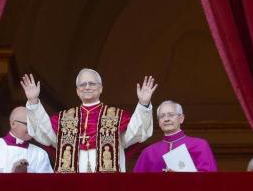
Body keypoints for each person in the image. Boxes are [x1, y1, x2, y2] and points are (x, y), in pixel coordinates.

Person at [20, 68, 156, 173]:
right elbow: (44, 134)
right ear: (77, 91)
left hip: (108, 186)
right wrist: (33, 102)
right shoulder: (64, 119)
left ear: (101, 88)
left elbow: (137, 133)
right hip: (72, 187)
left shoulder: (117, 117)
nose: (87, 87)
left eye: (92, 83)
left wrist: (143, 104)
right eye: (82, 84)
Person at [133, 100, 217, 172]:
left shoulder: (200, 145)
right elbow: (136, 182)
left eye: (171, 115)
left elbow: (210, 179)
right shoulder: (148, 152)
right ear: (158, 122)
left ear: (181, 118)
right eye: (162, 116)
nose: (166, 119)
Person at [0, 107, 53, 173]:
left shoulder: (40, 154)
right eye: (28, 124)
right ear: (13, 124)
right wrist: (12, 173)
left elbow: (46, 184)